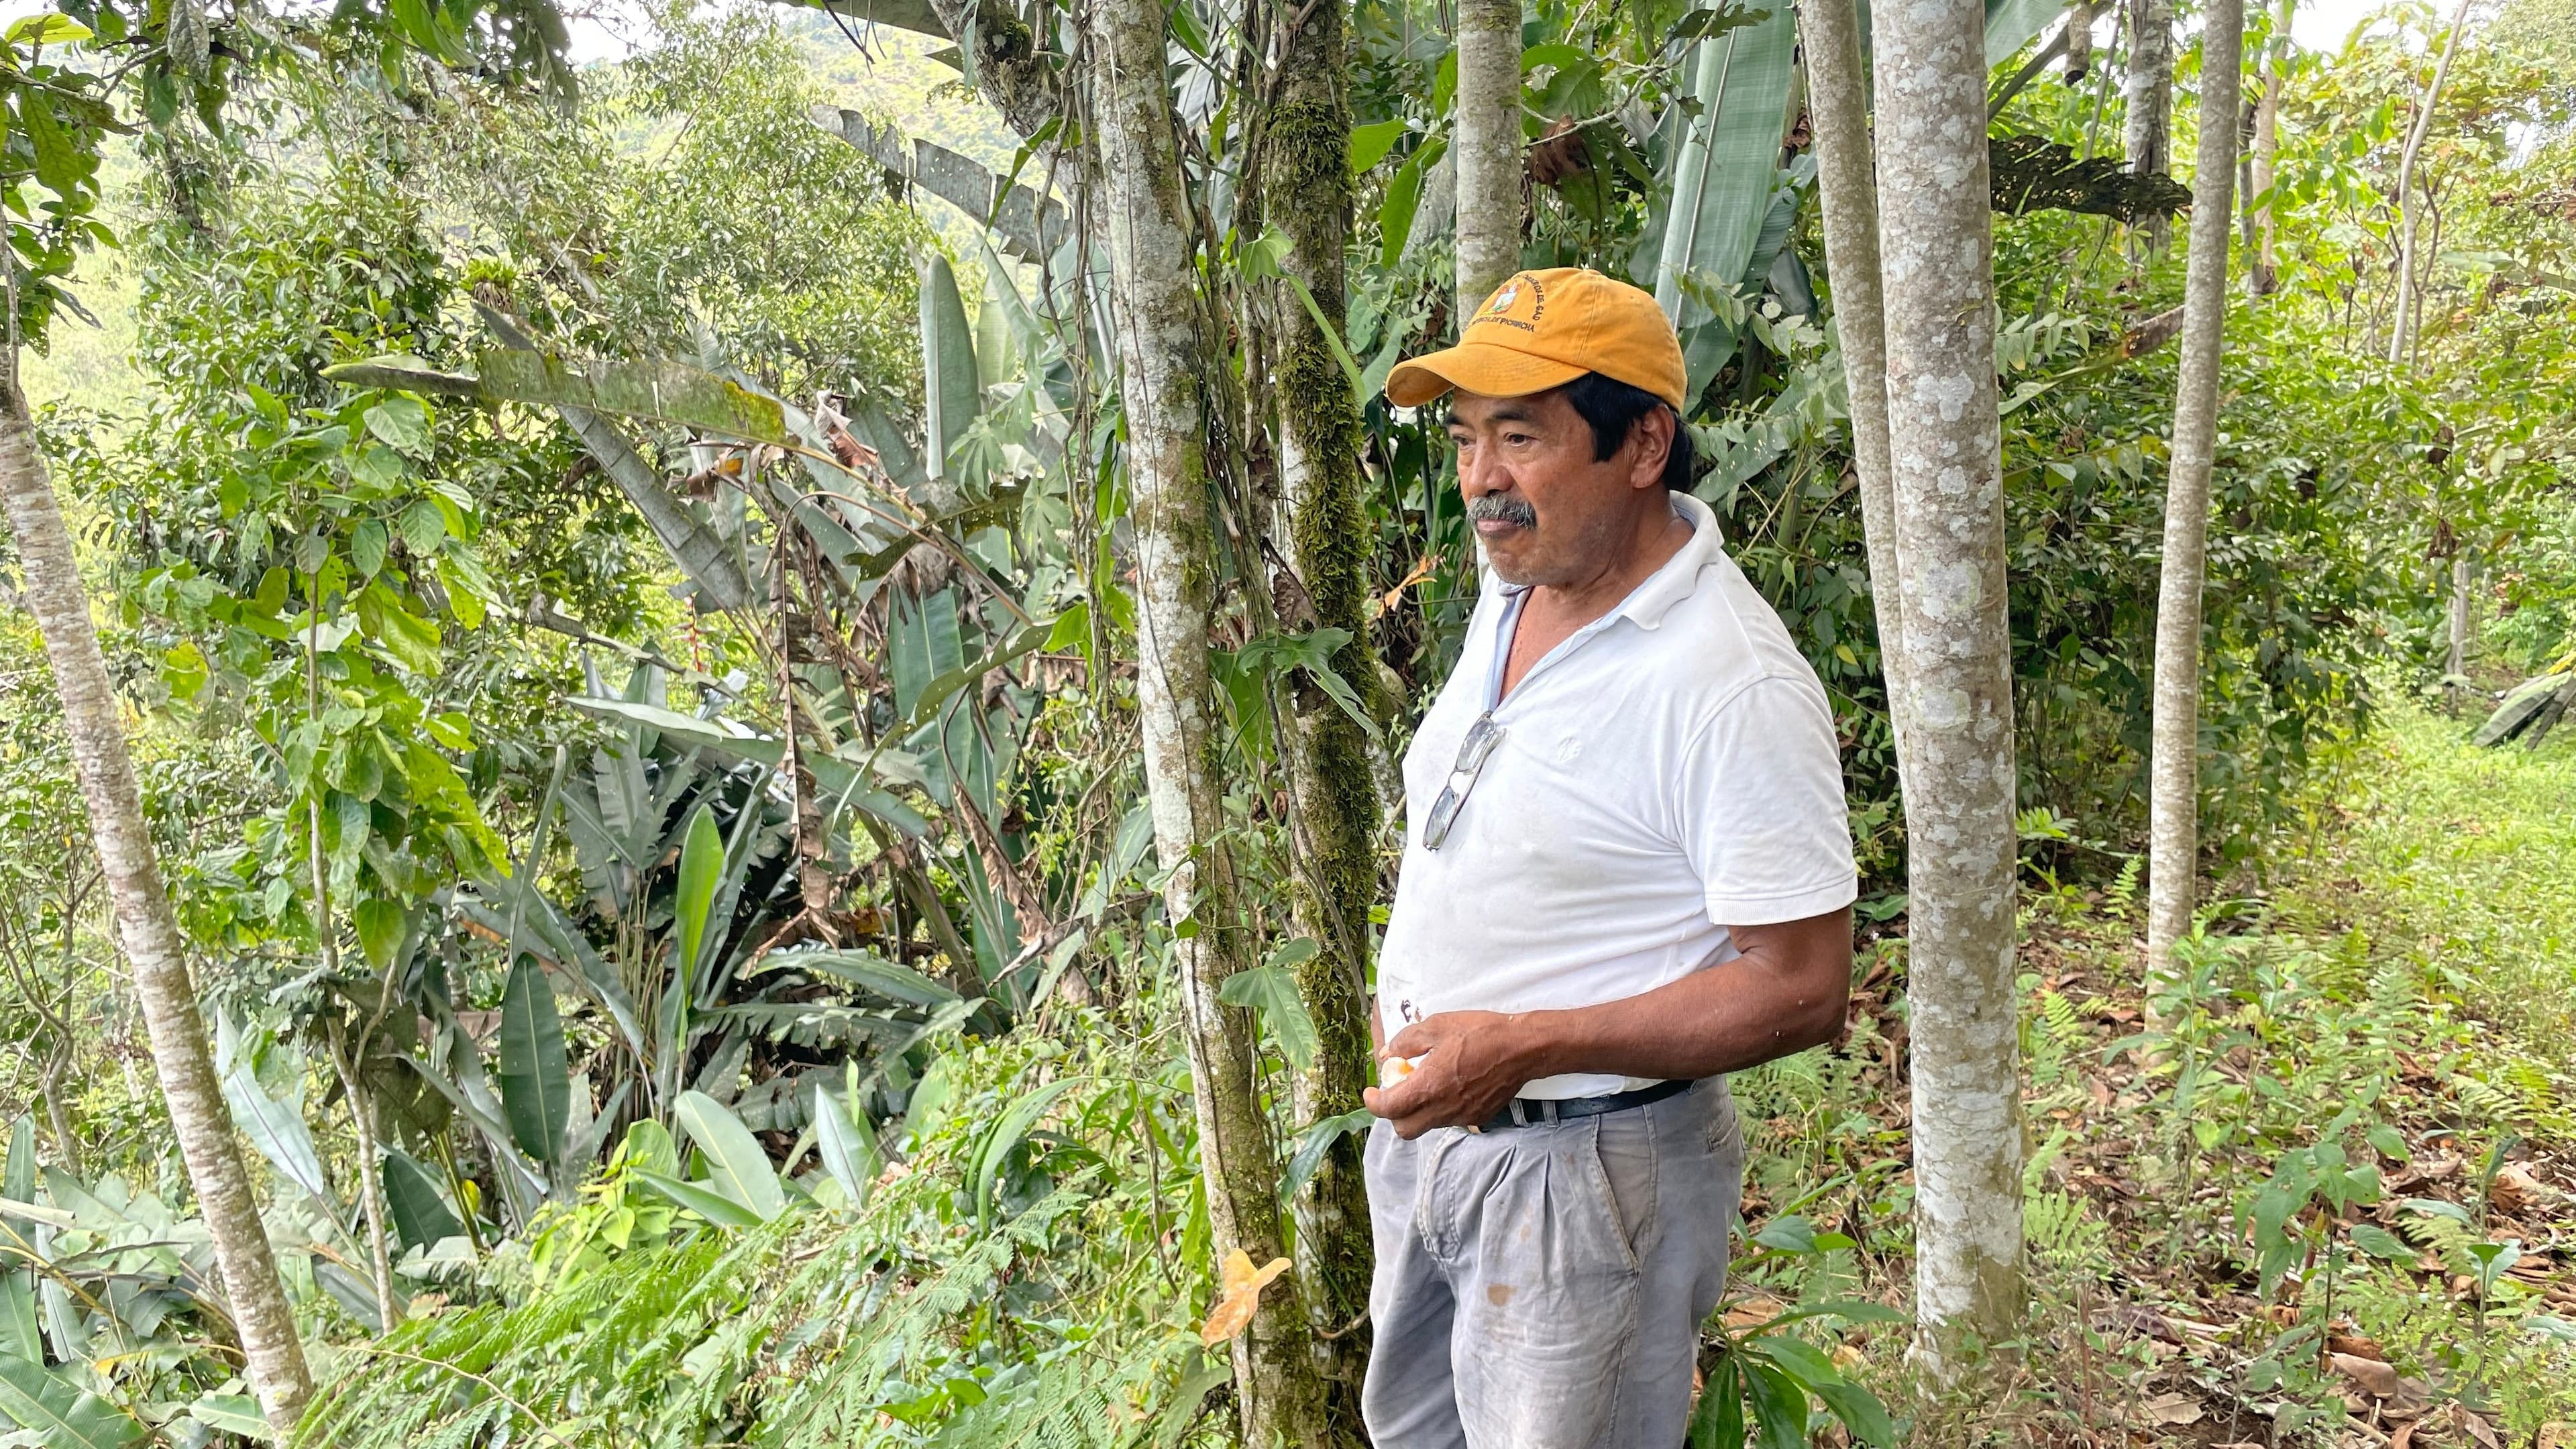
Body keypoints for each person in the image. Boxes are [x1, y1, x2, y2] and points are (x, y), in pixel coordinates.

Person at [1359, 267, 1859, 1448]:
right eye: (1469, 437)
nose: (1483, 481)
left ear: (1644, 444)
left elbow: (1802, 987)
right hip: (1439, 1147)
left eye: (1522, 436)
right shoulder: (1520, 582)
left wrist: (1530, 1044)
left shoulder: (1729, 683)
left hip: (1584, 1183)